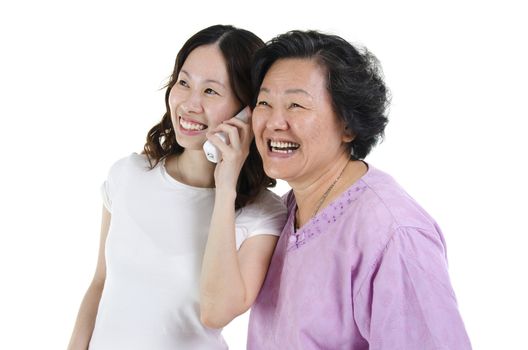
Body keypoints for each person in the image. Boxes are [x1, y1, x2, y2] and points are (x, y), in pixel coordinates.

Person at [247, 30, 472, 349]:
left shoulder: (392, 233)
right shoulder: (282, 213)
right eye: (264, 103)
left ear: (348, 125)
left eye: (296, 105)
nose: (274, 122)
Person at [67, 25, 286, 350]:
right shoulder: (127, 175)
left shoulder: (263, 214)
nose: (189, 104)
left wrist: (225, 188)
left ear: (247, 111)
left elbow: (218, 312)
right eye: (184, 83)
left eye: (211, 91)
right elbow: (100, 283)